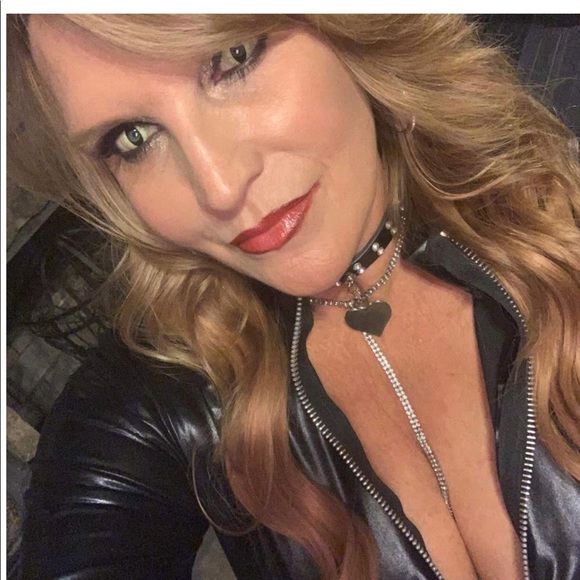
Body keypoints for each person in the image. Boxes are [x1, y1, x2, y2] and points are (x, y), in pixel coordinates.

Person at [7, 14, 580, 580]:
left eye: (233, 57)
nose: (220, 187)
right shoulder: (161, 393)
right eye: (134, 137)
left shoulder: (558, 202)